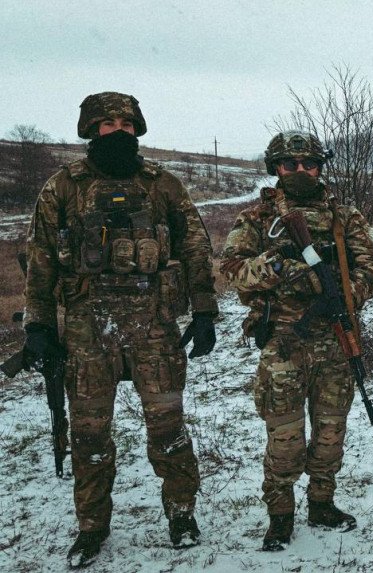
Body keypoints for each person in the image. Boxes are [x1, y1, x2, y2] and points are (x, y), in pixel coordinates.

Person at [22, 92, 218, 568]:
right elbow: (41, 261)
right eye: (109, 123)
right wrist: (39, 326)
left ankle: (181, 515)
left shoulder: (163, 185)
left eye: (127, 123)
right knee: (89, 437)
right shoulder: (63, 187)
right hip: (88, 334)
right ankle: (92, 527)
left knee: (169, 430)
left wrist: (205, 311)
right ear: (91, 129)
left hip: (154, 329)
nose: (119, 131)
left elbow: (195, 247)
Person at [220, 131, 373, 549]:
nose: (300, 171)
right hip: (283, 340)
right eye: (289, 164)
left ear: (319, 167)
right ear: (275, 167)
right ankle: (280, 514)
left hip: (335, 336)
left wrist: (344, 294)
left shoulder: (343, 216)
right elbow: (234, 270)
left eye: (309, 163)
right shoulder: (257, 219)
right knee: (284, 434)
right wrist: (280, 265)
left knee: (330, 430)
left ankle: (322, 502)